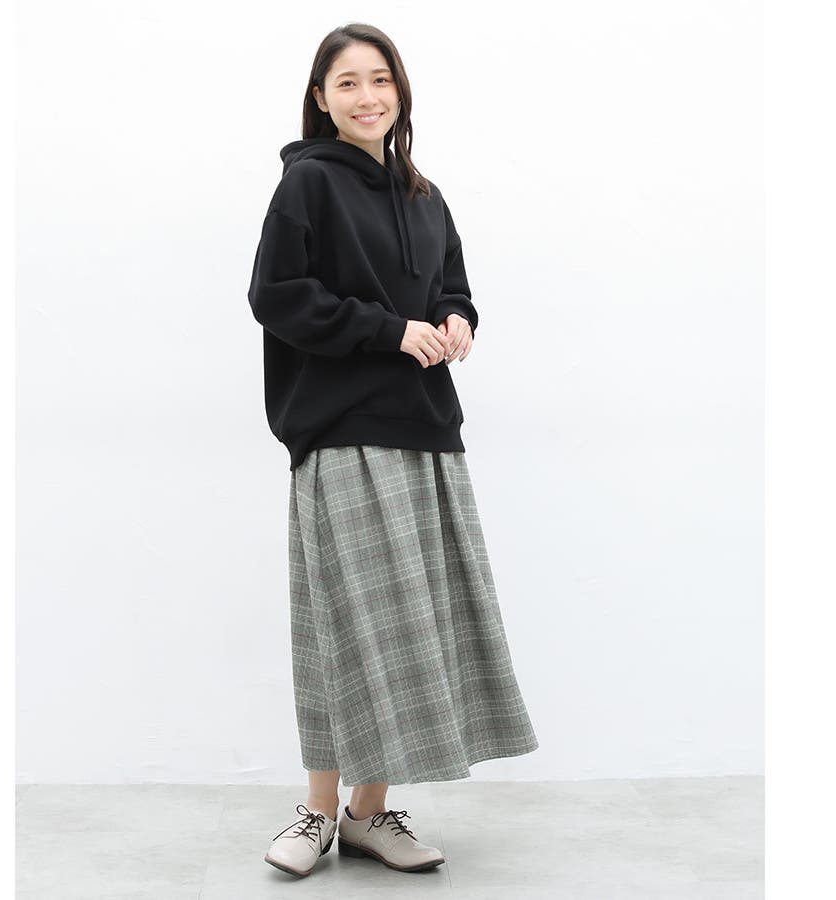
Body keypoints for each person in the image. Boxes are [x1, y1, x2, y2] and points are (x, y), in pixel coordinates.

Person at [248, 23, 539, 878]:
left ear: (400, 92)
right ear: (320, 98)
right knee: (344, 628)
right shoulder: (307, 184)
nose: (367, 96)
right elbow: (275, 295)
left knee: (411, 632)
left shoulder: (424, 195)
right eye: (347, 83)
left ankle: (369, 814)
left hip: (426, 432)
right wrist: (388, 331)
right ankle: (316, 812)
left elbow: (452, 285)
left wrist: (455, 318)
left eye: (380, 80)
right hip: (342, 431)